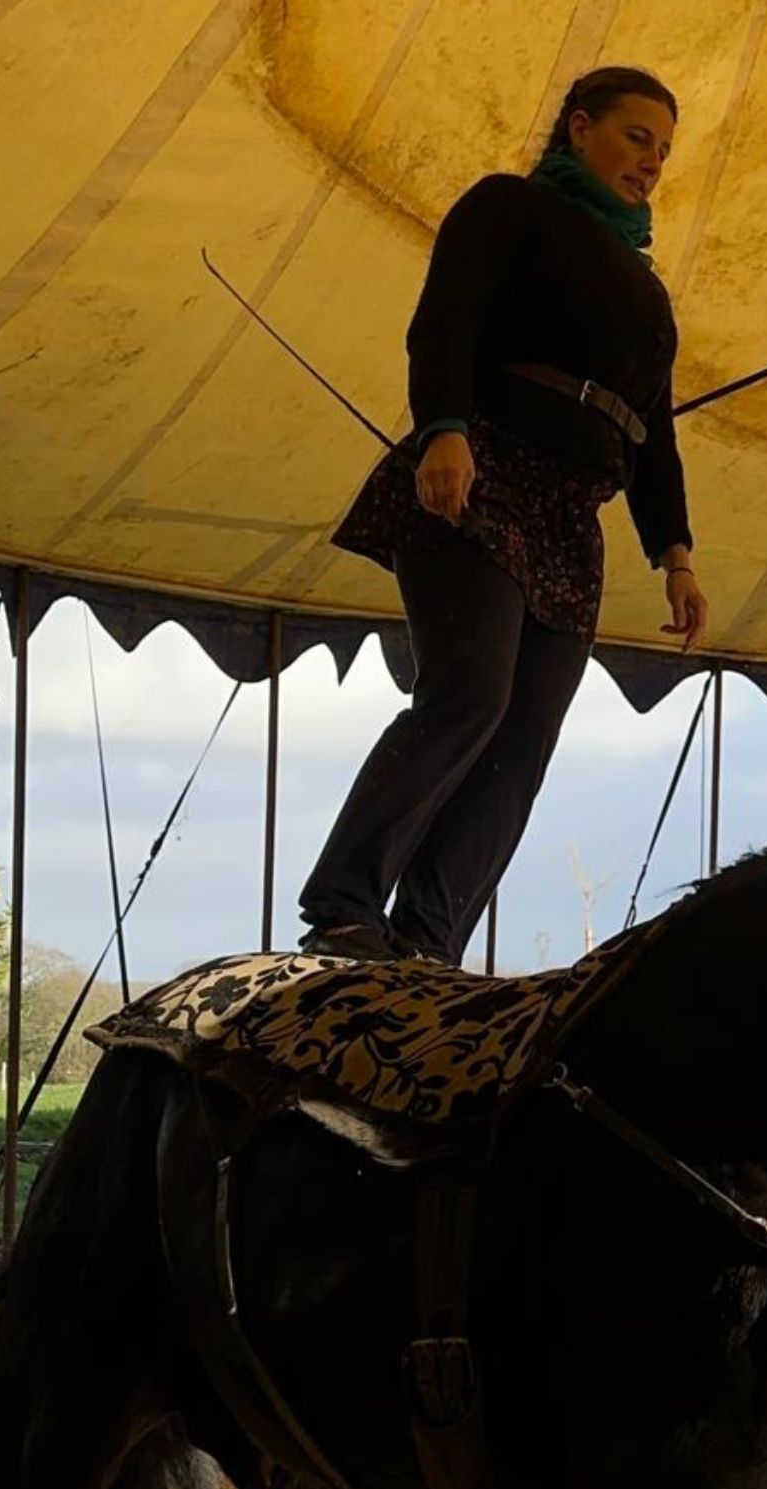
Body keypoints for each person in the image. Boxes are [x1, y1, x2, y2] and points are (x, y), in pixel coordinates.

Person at [299, 65, 708, 962]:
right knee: (468, 698)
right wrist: (444, 429)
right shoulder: (506, 208)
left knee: (523, 745)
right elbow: (445, 320)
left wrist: (673, 553)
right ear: (579, 128)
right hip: (484, 470)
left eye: (666, 150)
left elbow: (657, 433)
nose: (654, 163)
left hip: (571, 519)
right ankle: (342, 906)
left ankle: (427, 945)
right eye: (638, 137)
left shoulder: (648, 296)